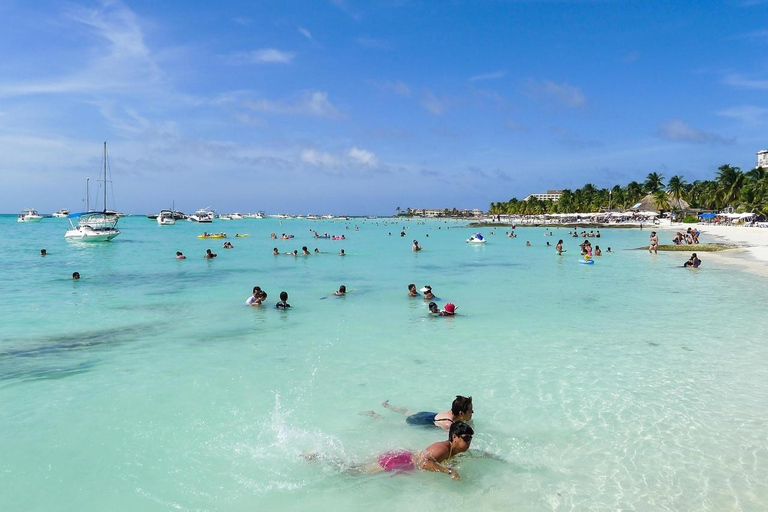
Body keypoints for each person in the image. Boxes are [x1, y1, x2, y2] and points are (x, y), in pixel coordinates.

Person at [359, 422, 474, 479]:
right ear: (454, 437)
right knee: (357, 473)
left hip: (404, 459)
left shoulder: (454, 450)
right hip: (401, 461)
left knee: (358, 470)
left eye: (470, 438)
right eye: (466, 438)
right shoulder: (442, 448)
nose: (469, 441)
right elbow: (423, 463)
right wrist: (448, 471)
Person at [378, 395, 473, 430]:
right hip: (421, 420)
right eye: (470, 411)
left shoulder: (452, 412)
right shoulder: (448, 424)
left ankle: (386, 405)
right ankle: (374, 415)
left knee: (405, 411)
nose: (472, 412)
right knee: (390, 423)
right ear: (461, 413)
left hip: (427, 414)